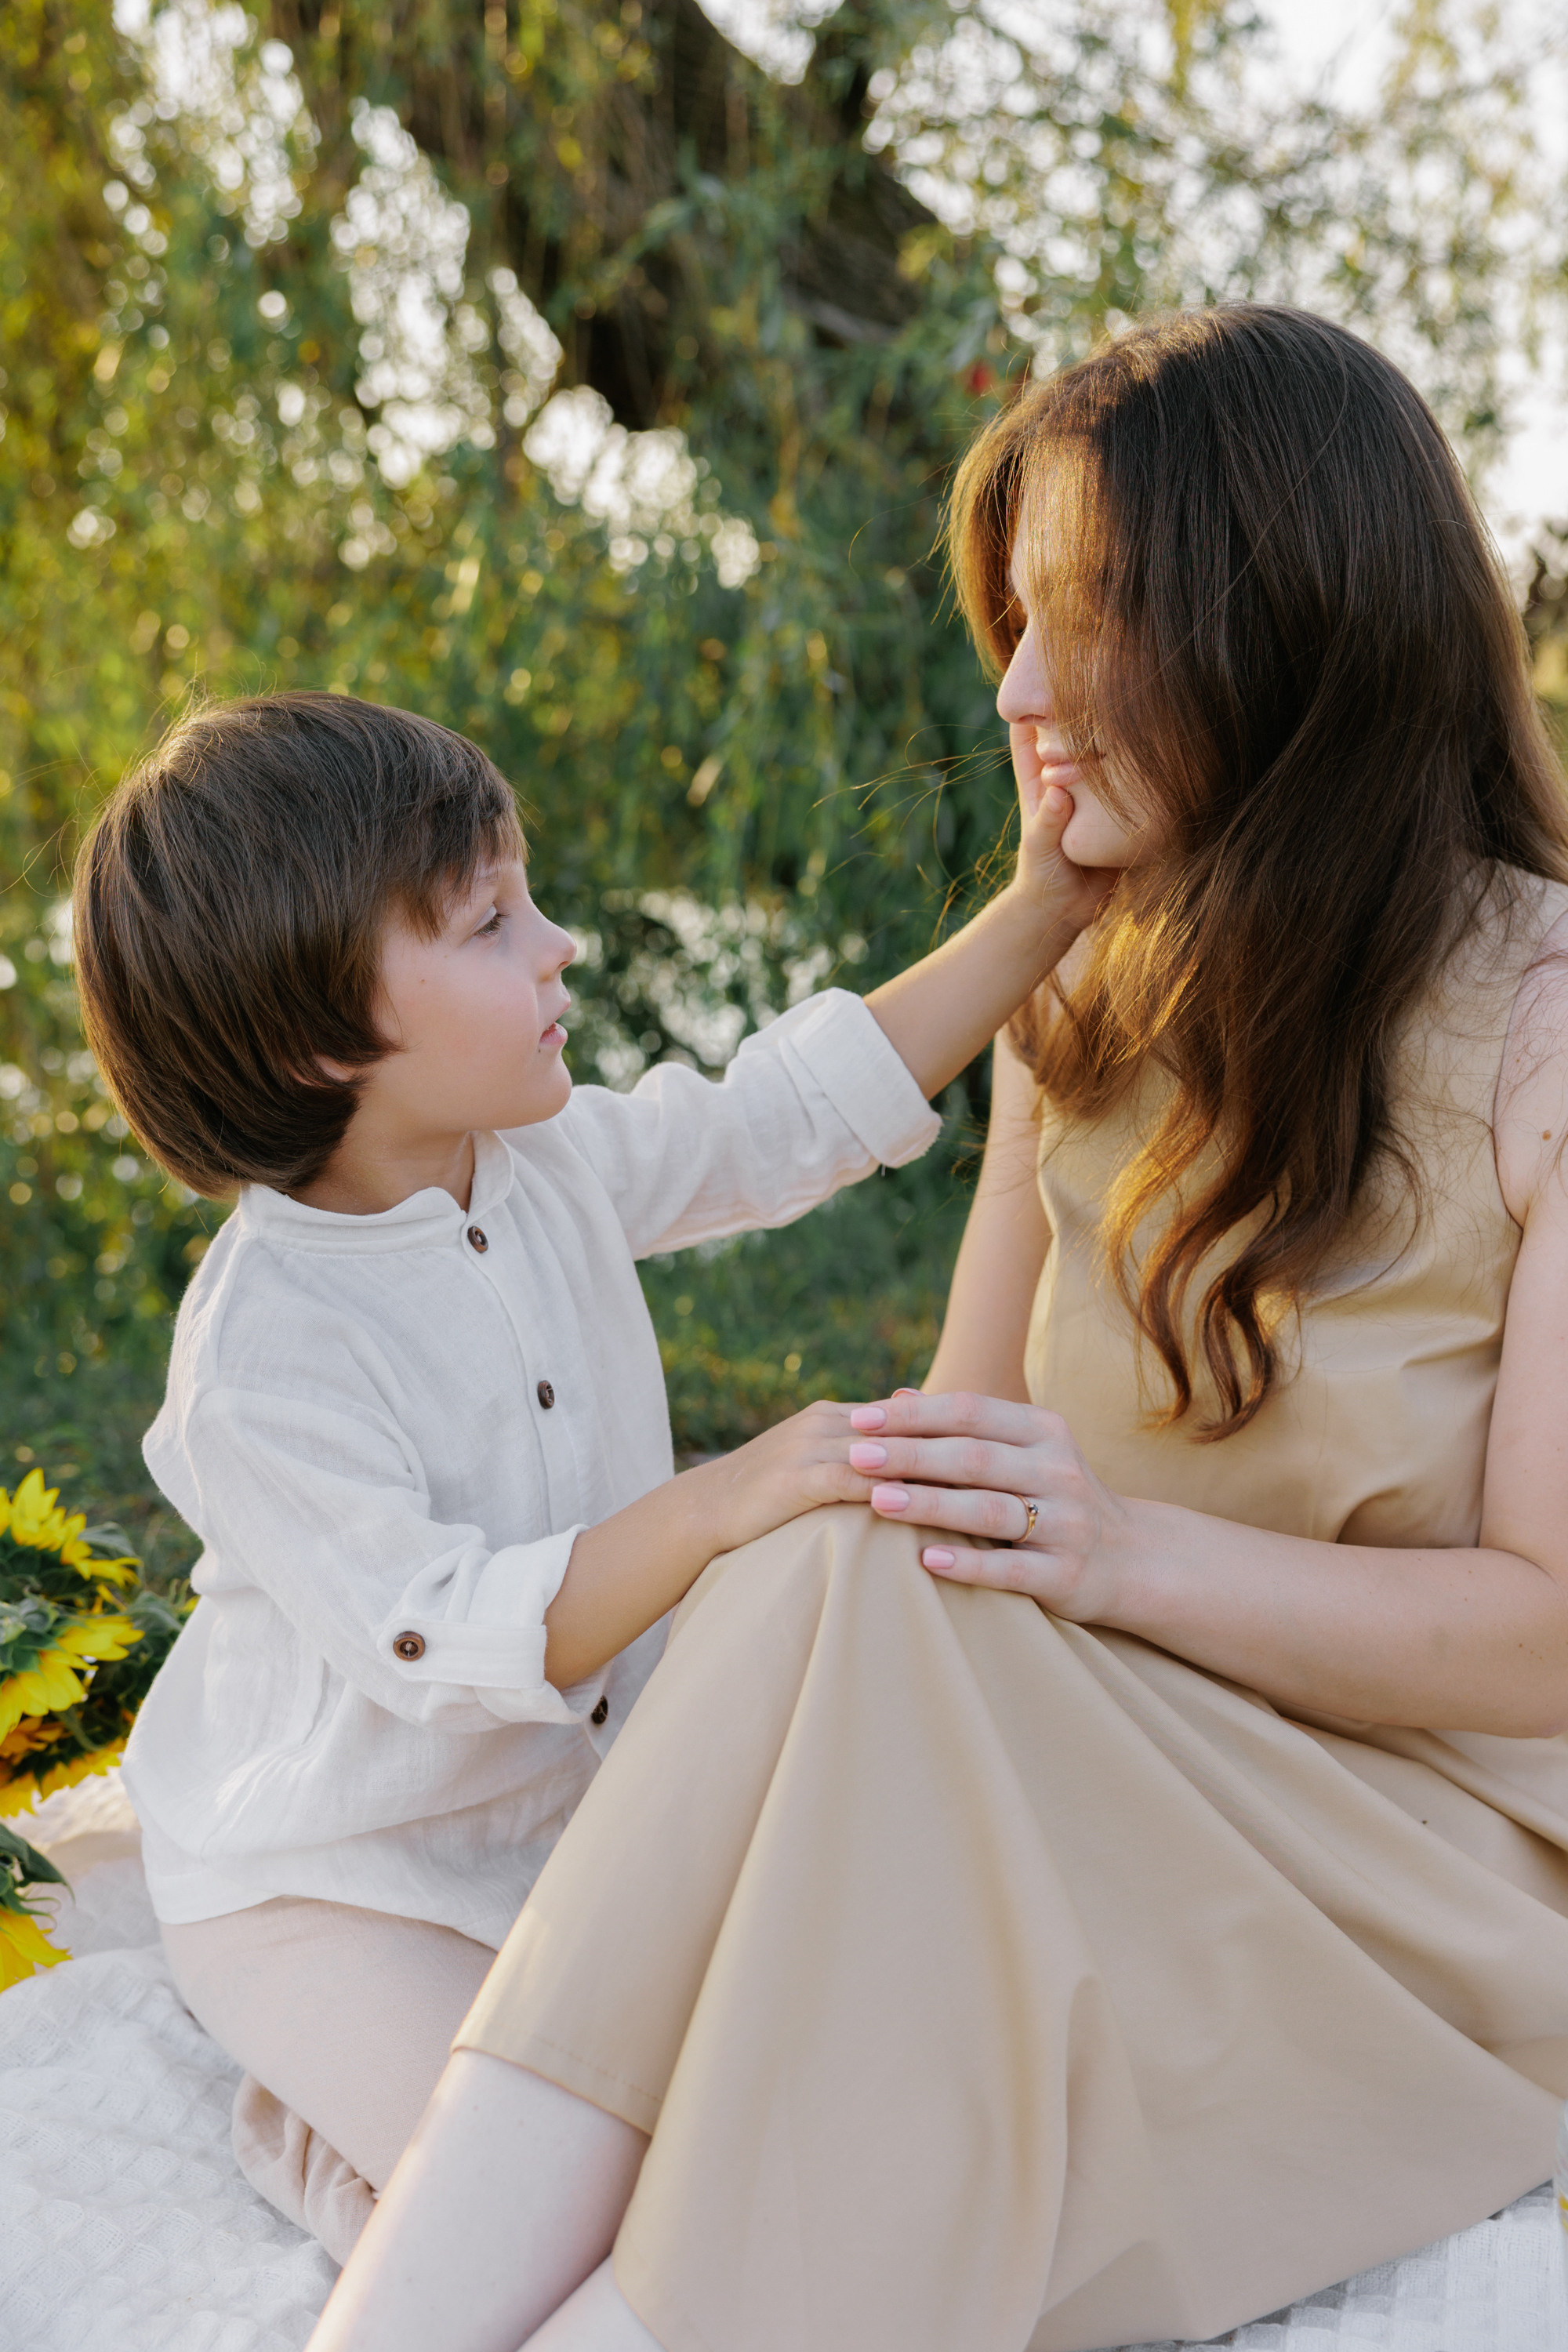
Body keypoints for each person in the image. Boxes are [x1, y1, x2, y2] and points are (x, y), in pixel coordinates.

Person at [309, 303, 1568, 2352]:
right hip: (1083, 1775)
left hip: (1406, 1879)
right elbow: (947, 1488)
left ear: (1286, 624)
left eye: (1080, 618)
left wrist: (1116, 1549)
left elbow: (1549, 1635)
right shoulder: (1084, 1003)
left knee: (847, 1547)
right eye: (1014, 618)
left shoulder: (1546, 1022)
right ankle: (436, 2316)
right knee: (831, 1526)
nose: (1016, 684)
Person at [69, 689, 1087, 2258]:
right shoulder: (263, 1355)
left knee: (760, 2111)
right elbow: (437, 1635)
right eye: (490, 923)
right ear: (313, 1034)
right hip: (330, 1875)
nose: (558, 947)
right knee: (551, 2201)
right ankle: (318, 2124)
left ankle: (388, 2106)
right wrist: (713, 1500)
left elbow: (777, 1121)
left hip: (556, 1828)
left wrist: (1045, 906)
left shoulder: (540, 1161)